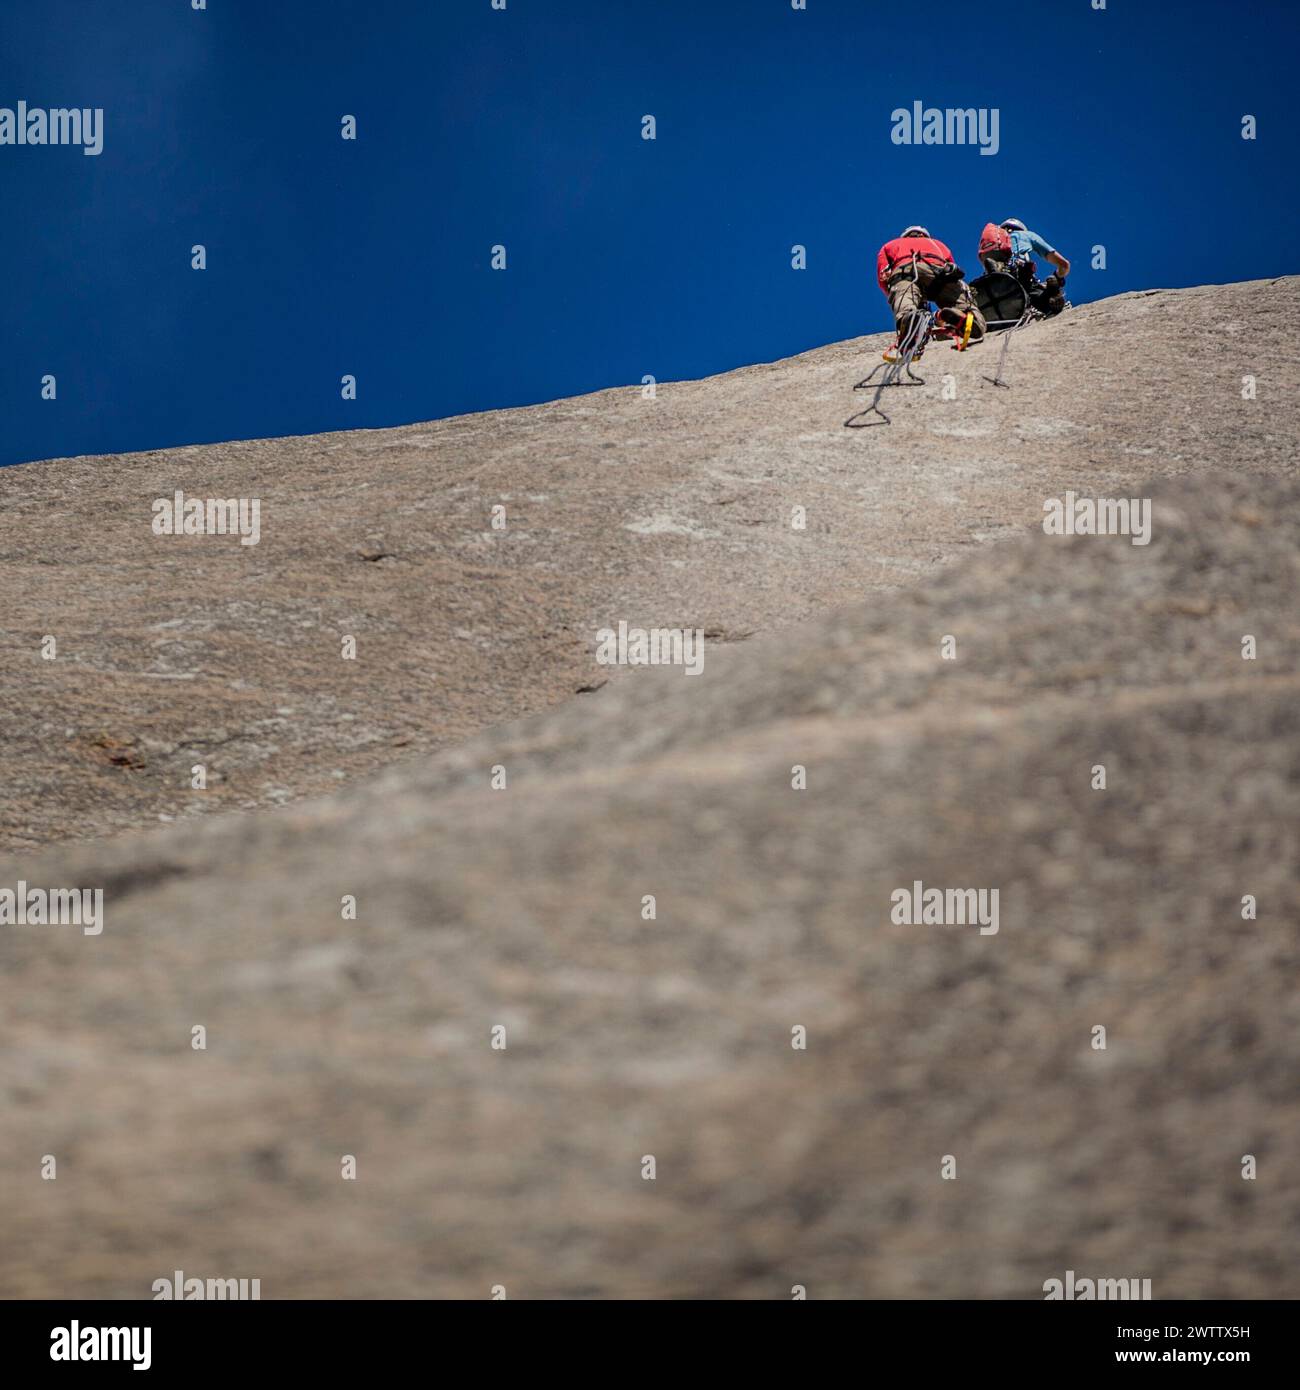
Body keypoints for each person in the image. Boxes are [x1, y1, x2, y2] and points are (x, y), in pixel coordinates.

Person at [876, 225, 986, 356]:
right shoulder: (938, 244)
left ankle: (909, 319)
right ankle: (964, 315)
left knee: (905, 301)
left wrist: (893, 291)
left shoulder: (890, 245)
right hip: (939, 272)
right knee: (960, 299)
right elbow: (951, 267)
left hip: (906, 270)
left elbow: (883, 276)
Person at [979, 217, 1070, 317]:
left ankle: (998, 271)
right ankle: (1052, 293)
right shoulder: (1027, 235)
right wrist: (1059, 277)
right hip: (1020, 279)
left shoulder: (993, 242)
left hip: (990, 286)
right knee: (1044, 300)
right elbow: (1064, 264)